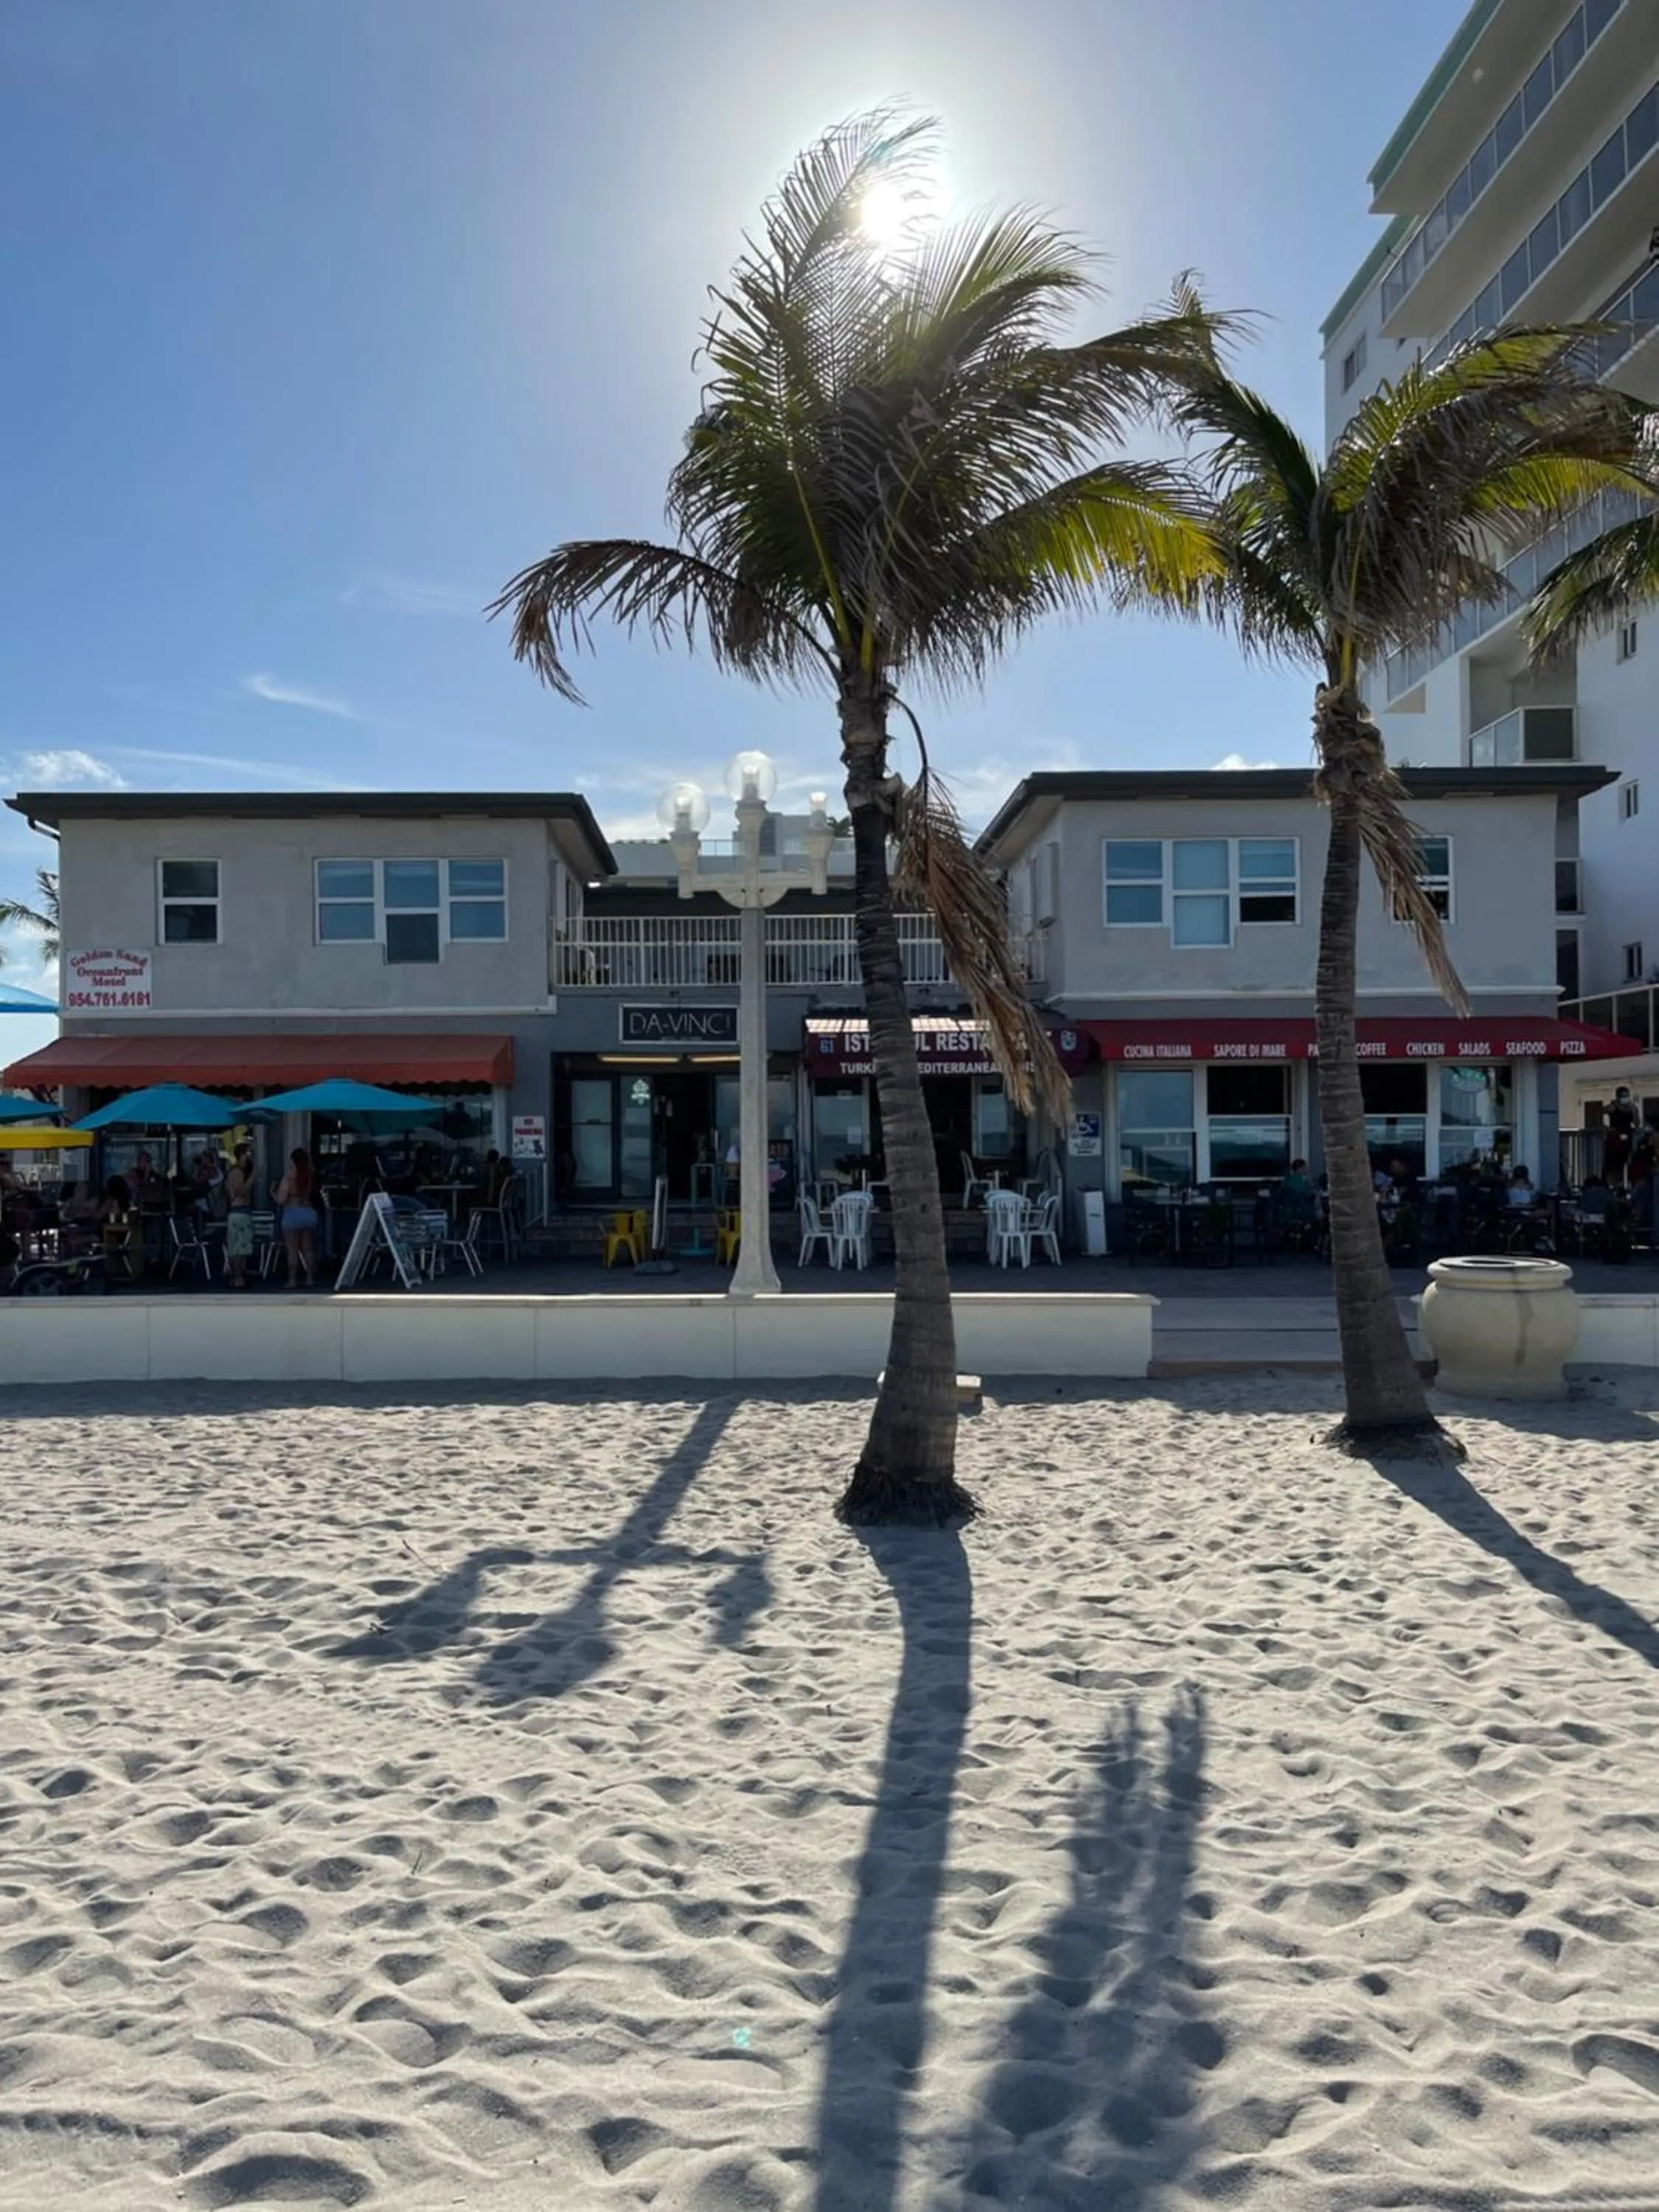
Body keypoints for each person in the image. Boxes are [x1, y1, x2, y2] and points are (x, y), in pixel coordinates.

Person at [272, 1147, 318, 1287]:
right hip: (308, 1212)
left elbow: (281, 1200)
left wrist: (272, 1192)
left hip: (292, 1213)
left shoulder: (289, 1178)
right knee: (308, 1248)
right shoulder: (309, 1175)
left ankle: (292, 1280)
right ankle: (310, 1278)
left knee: (292, 1249)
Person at [223, 1144, 257, 1289]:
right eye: (248, 1154)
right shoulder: (237, 1172)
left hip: (240, 1211)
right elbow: (241, 1190)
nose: (250, 1157)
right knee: (239, 1248)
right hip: (239, 1211)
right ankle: (238, 1277)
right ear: (242, 1155)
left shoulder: (237, 1171)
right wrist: (253, 1176)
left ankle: (239, 1276)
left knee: (241, 1248)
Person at [1605, 1087, 1639, 1183]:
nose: (1626, 1098)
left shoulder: (1632, 1107)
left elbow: (1637, 1123)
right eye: (1623, 1096)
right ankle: (1614, 1184)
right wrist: (1606, 1128)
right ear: (1618, 1097)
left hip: (1627, 1137)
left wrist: (1634, 1111)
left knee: (1629, 1162)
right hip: (1615, 1137)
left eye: (1627, 1096)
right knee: (1615, 1165)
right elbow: (1598, 1113)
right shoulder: (1612, 1107)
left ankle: (1626, 1183)